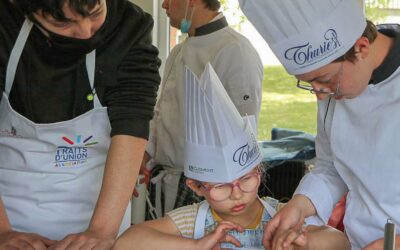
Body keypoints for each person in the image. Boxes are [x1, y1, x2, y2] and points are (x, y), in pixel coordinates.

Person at [114, 64, 349, 250]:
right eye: (221, 186)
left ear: (259, 171)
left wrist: (306, 243)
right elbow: (126, 243)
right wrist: (195, 245)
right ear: (196, 186)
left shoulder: (280, 216)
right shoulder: (190, 221)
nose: (237, 194)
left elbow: (340, 242)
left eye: (246, 179)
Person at [239, 0, 400, 249]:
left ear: (362, 47)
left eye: (324, 80)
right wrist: (300, 205)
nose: (321, 96)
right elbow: (332, 166)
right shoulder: (333, 92)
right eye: (309, 83)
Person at [0, 0, 160, 249]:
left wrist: (102, 231)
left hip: (100, 209)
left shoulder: (128, 26)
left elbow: (132, 123)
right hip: (9, 209)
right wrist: (2, 232)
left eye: (95, 14)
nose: (86, 33)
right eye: (62, 22)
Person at [140, 0, 263, 216]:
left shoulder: (236, 50)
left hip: (207, 190)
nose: (164, 6)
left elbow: (243, 132)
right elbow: (162, 113)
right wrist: (145, 154)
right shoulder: (179, 51)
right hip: (165, 181)